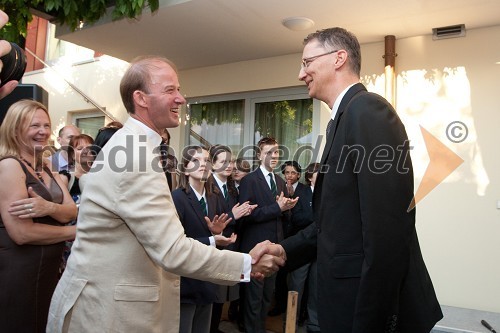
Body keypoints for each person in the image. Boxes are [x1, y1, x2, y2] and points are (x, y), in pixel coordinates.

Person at [47, 55, 284, 333]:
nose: (181, 98)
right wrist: (247, 261)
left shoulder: (139, 147)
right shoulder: (134, 155)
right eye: (170, 90)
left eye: (179, 89)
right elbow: (172, 250)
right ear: (141, 98)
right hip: (106, 313)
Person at [272, 27, 443, 332]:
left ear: (339, 58)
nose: (301, 74)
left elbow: (388, 232)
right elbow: (336, 223)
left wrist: (371, 324)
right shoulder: (342, 120)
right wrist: (285, 250)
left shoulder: (368, 111)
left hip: (364, 312)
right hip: (342, 304)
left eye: (307, 62)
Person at [0, 99, 78, 332]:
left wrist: (49, 208)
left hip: (48, 272)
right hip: (19, 274)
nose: (43, 132)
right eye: (34, 126)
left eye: (46, 125)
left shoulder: (45, 165)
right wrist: (77, 231)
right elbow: (22, 233)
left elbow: (70, 211)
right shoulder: (10, 166)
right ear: (15, 129)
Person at [172, 145, 237, 333]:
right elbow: (177, 243)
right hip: (186, 281)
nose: (203, 165)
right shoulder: (177, 198)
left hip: (208, 279)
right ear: (185, 168)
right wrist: (212, 239)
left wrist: (219, 236)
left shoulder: (214, 198)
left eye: (207, 161)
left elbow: (216, 238)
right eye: (196, 161)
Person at [238, 136, 298, 333]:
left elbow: (281, 215)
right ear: (259, 155)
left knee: (266, 298)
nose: (273, 156)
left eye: (276, 152)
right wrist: (276, 208)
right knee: (253, 300)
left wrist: (288, 208)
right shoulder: (249, 180)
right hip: (256, 249)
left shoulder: (280, 181)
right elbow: (246, 216)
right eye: (268, 152)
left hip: (275, 249)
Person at [207, 144, 257, 333]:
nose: (229, 165)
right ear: (213, 164)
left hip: (231, 246)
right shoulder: (207, 186)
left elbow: (234, 217)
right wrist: (233, 214)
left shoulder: (231, 188)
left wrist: (245, 212)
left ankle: (215, 326)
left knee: (222, 296)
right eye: (223, 161)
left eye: (231, 161)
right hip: (214, 248)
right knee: (212, 296)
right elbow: (211, 219)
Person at [58, 134, 95, 271]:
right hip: (71, 240)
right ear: (72, 155)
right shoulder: (65, 177)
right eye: (80, 148)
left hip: (95, 237)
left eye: (89, 148)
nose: (86, 151)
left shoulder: (100, 177)